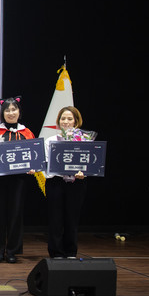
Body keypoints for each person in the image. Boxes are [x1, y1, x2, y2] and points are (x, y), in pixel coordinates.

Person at [0, 96, 35, 264]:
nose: (11, 113)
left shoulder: (27, 133)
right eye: (7, 110)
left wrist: (33, 166)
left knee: (16, 214)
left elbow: (34, 154)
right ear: (2, 113)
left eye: (14, 109)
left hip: (18, 180)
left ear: (19, 112)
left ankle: (12, 251)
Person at [45, 106, 89, 259]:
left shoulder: (84, 140)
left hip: (77, 183)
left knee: (72, 218)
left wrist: (83, 172)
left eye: (70, 119)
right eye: (63, 118)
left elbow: (88, 162)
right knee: (55, 219)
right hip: (55, 183)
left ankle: (71, 252)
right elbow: (47, 163)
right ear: (58, 121)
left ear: (76, 121)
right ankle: (56, 252)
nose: (66, 121)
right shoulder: (50, 141)